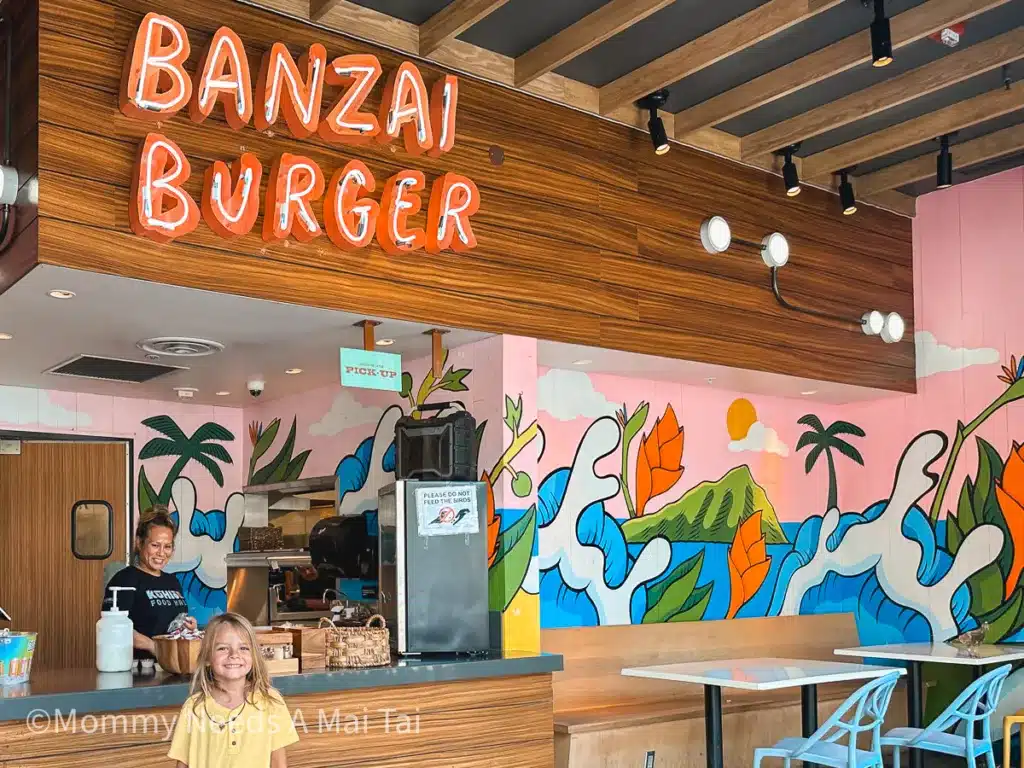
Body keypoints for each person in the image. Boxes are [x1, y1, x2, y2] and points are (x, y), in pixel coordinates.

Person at [168, 613, 299, 768]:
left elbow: (278, 763)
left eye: (243, 648)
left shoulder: (271, 701)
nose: (234, 655)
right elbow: (183, 763)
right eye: (222, 648)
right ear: (208, 657)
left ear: (254, 655)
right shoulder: (194, 707)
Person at [102, 505, 197, 660]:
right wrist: (155, 647)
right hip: (138, 669)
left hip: (172, 666)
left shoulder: (172, 581)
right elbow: (114, 628)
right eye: (155, 545)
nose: (161, 553)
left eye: (167, 547)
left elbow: (174, 623)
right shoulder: (124, 580)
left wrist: (188, 629)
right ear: (140, 543)